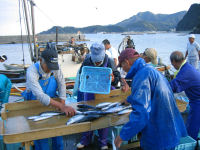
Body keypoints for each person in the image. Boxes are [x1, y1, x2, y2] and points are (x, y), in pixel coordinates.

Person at [114, 48, 187, 150]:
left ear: (126, 62)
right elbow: (150, 93)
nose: (123, 69)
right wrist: (130, 100)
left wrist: (122, 136)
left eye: (122, 66)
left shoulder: (142, 76)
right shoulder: (150, 70)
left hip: (157, 135)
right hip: (170, 130)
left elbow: (142, 113)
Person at [22, 45, 76, 150]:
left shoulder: (55, 67)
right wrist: (61, 106)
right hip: (34, 104)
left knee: (58, 134)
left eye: (53, 67)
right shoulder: (31, 72)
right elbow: (40, 96)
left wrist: (62, 103)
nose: (51, 69)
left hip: (53, 104)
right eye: (49, 66)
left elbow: (61, 84)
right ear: (41, 60)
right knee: (41, 139)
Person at [76, 43, 121, 150]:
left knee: (103, 115)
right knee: (88, 115)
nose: (96, 63)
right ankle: (85, 140)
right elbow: (82, 74)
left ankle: (103, 142)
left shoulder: (109, 60)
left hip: (104, 92)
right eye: (95, 61)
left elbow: (117, 76)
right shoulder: (87, 60)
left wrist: (114, 79)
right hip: (90, 91)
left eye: (99, 61)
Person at [170, 51, 200, 140]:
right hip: (194, 100)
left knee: (192, 129)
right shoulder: (187, 67)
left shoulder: (186, 71)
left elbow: (172, 87)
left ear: (174, 61)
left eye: (172, 63)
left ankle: (192, 144)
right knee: (191, 124)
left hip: (198, 101)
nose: (172, 66)